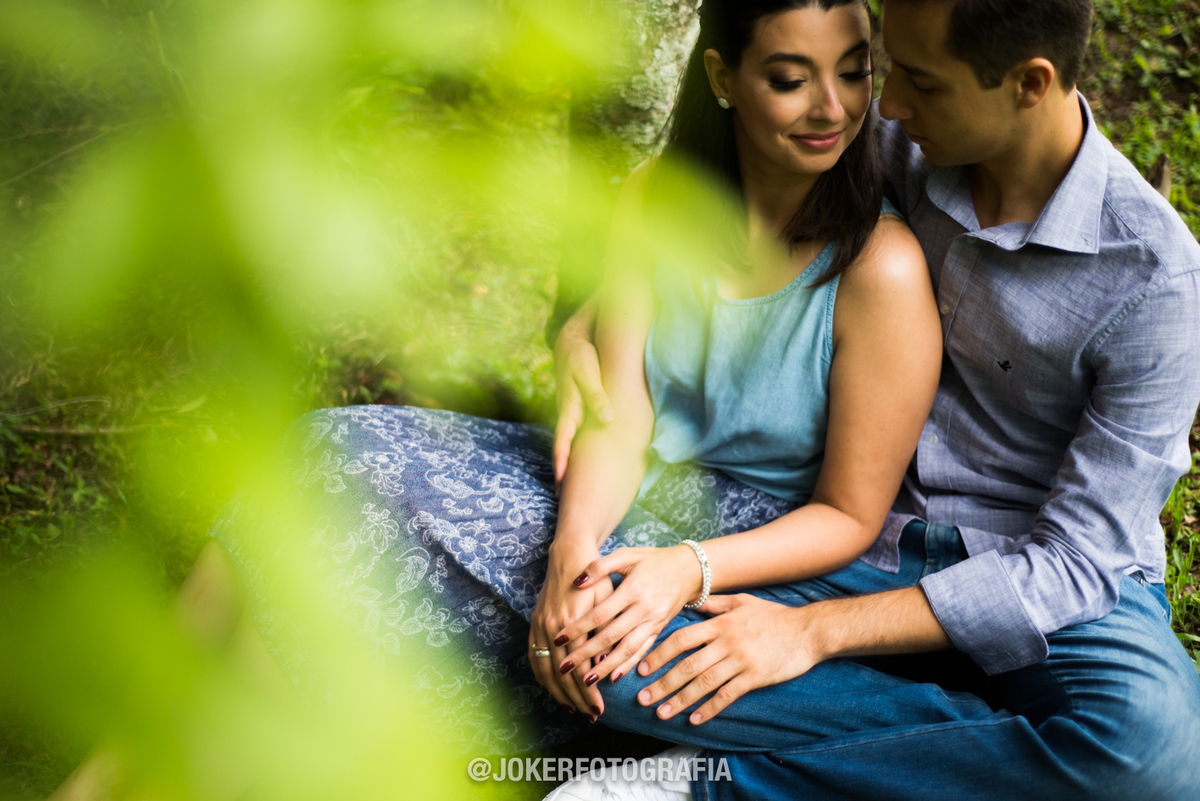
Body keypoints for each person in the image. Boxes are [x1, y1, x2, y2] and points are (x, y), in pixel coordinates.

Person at [49, 1, 939, 797]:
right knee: (324, 450)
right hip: (623, 491)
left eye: (855, 71)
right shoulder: (655, 198)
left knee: (380, 541)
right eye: (792, 78)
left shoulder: (879, 269)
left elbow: (850, 515)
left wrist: (685, 567)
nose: (833, 107)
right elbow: (616, 408)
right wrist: (574, 541)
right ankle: (131, 764)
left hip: (751, 543)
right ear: (722, 79)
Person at [547, 0, 1200, 799]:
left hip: (1057, 581)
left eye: (919, 81)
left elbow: (1074, 563)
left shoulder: (1158, 282)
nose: (886, 103)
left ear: (1030, 83)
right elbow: (705, 198)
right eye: (886, 70)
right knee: (601, 652)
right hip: (867, 543)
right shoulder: (897, 138)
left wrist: (807, 634)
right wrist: (592, 317)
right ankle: (981, 751)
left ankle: (708, 786)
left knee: (1157, 757)